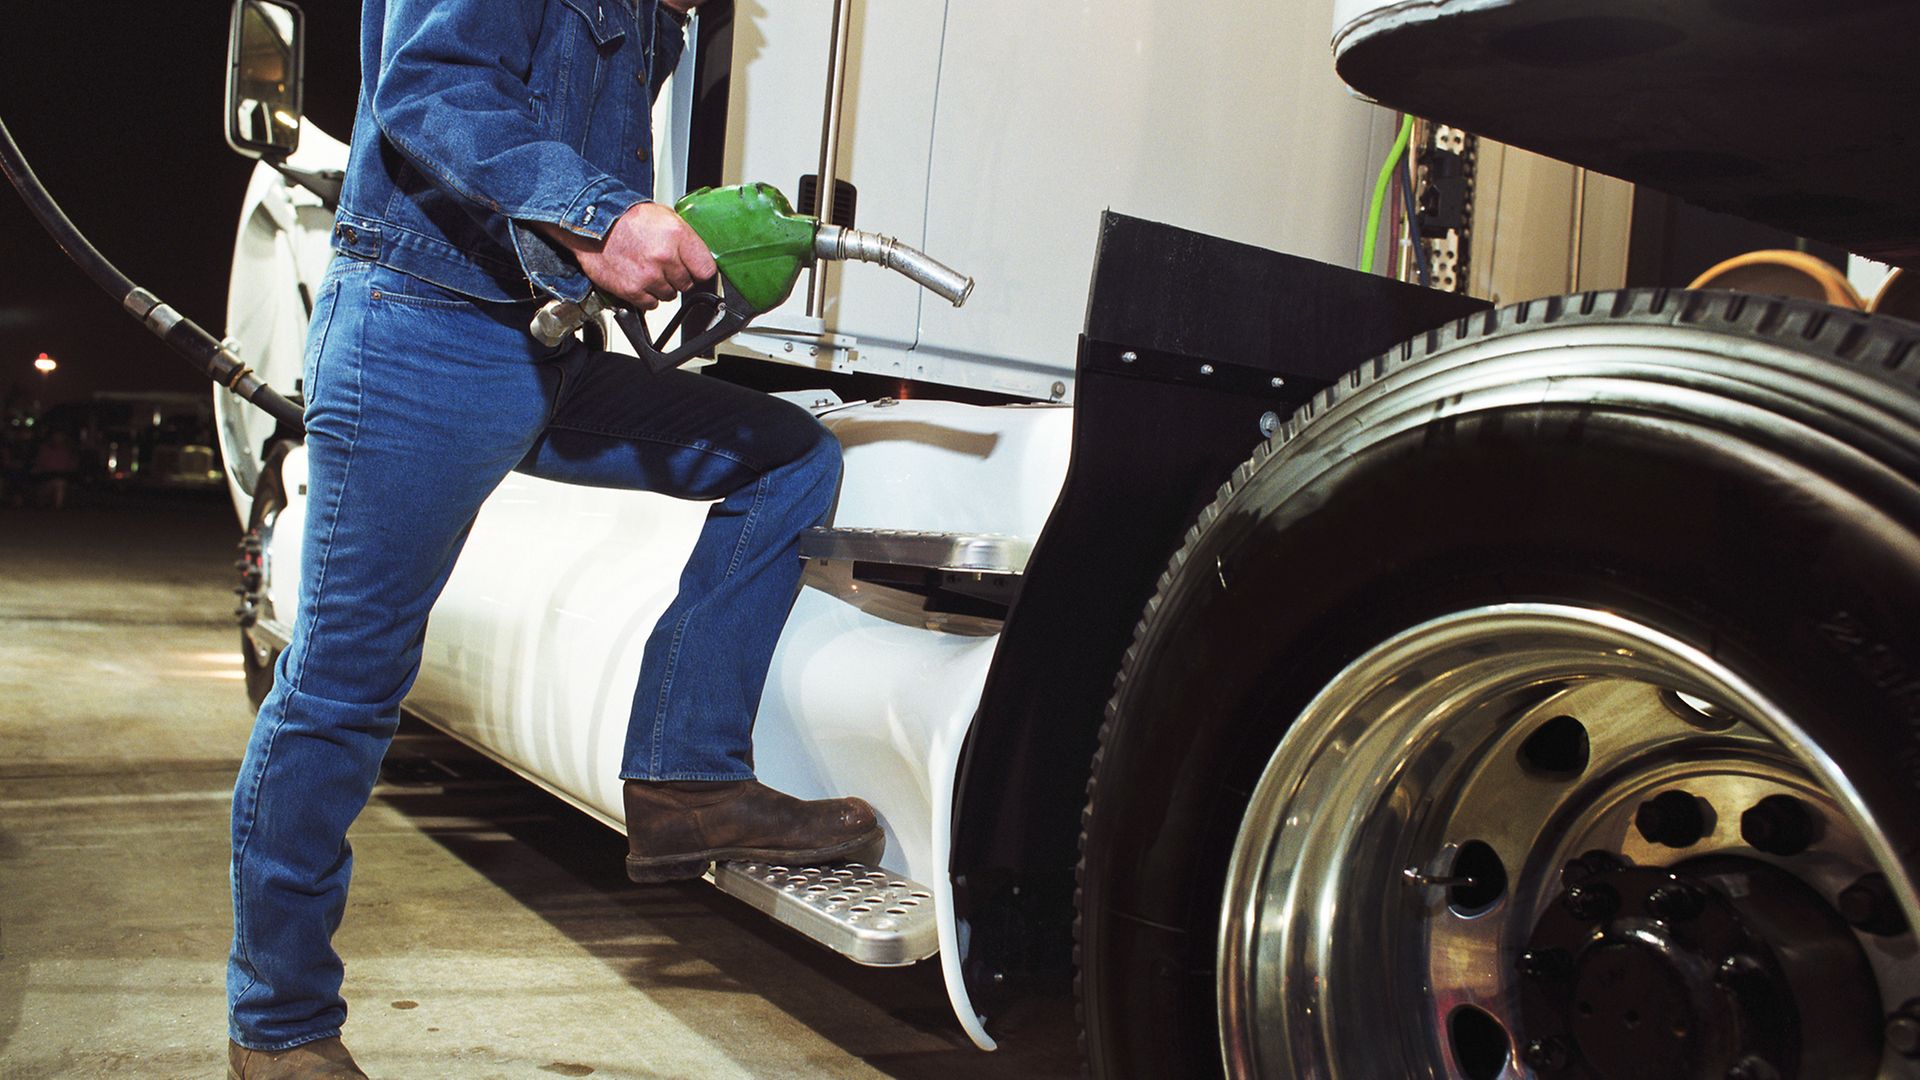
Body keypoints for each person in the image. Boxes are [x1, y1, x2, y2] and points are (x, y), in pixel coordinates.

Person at [225, 2, 882, 1076]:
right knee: (345, 690)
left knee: (788, 456)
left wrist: (678, 250)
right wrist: (607, 214)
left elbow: (556, 170)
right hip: (418, 336)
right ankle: (281, 1025)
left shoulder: (653, 16)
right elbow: (428, 86)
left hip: (543, 350)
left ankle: (686, 781)